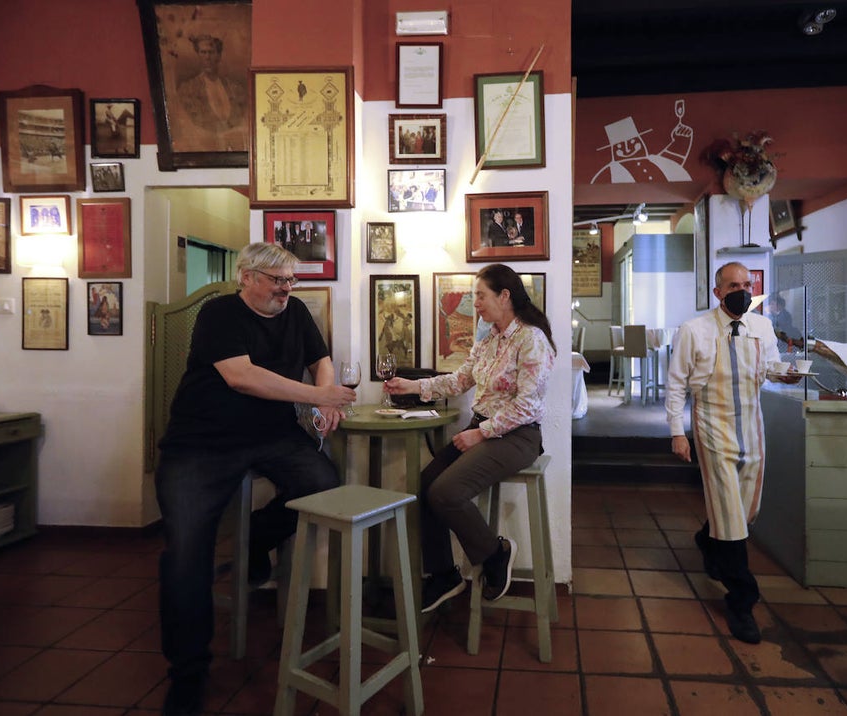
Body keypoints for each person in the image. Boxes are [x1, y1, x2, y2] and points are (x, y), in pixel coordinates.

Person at [154, 243, 356, 716]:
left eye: (291, 280)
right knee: (185, 554)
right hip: (202, 440)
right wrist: (318, 396)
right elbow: (242, 377)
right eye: (277, 280)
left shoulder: (296, 311)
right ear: (246, 277)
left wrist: (325, 396)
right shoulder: (218, 314)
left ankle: (254, 543)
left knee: (322, 482)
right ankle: (188, 672)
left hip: (272, 436)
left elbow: (320, 358)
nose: (286, 289)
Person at [384, 263, 555, 614]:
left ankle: (496, 553)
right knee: (425, 485)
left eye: (480, 295)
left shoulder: (531, 339)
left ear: (504, 296)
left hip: (517, 436)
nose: (474, 303)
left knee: (446, 492)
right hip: (482, 429)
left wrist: (481, 433)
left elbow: (528, 406)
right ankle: (444, 575)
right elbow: (459, 380)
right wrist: (413, 386)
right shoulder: (488, 339)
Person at [665, 261, 800, 645]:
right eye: (733, 286)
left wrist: (786, 373)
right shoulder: (695, 330)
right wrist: (677, 432)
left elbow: (770, 367)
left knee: (746, 509)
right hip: (712, 426)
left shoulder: (762, 327)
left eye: (746, 285)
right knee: (729, 510)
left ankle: (709, 539)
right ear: (718, 292)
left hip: (752, 426)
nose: (741, 291)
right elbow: (676, 384)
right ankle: (742, 599)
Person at [176, 34, 248, 133]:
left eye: (211, 52)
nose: (207, 57)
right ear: (198, 55)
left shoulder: (235, 89)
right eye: (203, 52)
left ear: (219, 56)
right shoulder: (188, 89)